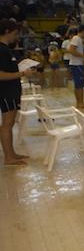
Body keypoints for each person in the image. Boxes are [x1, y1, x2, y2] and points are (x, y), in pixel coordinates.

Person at [0, 19, 35, 166]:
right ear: (7, 31)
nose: (17, 37)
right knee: (7, 125)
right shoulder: (1, 50)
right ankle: (9, 158)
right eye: (15, 33)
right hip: (6, 92)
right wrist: (22, 74)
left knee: (10, 123)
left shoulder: (5, 49)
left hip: (11, 91)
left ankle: (11, 153)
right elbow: (1, 74)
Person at [67, 25, 84, 109]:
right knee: (80, 85)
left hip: (77, 64)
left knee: (78, 85)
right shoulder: (76, 38)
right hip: (76, 64)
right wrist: (83, 56)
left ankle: (80, 102)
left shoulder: (78, 39)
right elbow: (71, 50)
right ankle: (80, 103)